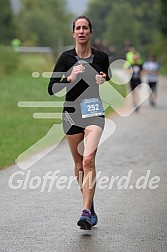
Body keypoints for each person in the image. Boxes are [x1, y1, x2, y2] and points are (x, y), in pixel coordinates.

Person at [48, 16, 110, 230]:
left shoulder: (101, 56)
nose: (82, 31)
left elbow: (105, 75)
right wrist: (69, 78)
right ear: (73, 33)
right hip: (71, 114)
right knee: (78, 164)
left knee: (88, 160)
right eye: (78, 28)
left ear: (90, 32)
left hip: (94, 112)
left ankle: (84, 212)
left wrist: (103, 79)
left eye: (85, 28)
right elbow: (51, 88)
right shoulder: (66, 59)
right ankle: (89, 205)